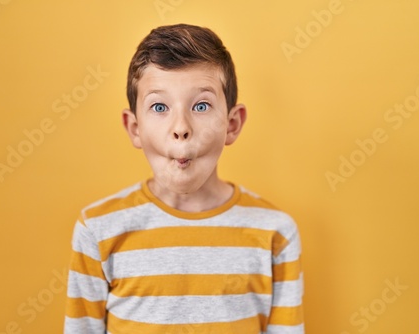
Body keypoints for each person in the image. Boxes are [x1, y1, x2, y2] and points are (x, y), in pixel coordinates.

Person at [64, 23, 304, 334]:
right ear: (134, 128)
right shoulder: (97, 231)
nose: (181, 127)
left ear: (232, 124)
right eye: (159, 106)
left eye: (201, 105)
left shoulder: (276, 233)